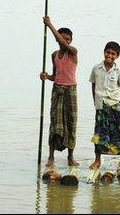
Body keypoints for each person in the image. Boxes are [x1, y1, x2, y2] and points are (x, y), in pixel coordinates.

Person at [89, 41, 120, 169]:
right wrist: (95, 102)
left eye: (113, 53)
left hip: (115, 105)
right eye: (108, 52)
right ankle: (97, 160)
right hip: (100, 106)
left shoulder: (118, 71)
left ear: (117, 56)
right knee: (99, 134)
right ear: (104, 53)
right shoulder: (96, 68)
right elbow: (93, 85)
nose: (110, 55)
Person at [40, 16, 79, 168]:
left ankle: (70, 157)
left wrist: (50, 25)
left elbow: (62, 43)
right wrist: (46, 77)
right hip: (57, 90)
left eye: (68, 39)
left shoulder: (73, 52)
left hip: (71, 91)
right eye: (63, 39)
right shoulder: (54, 55)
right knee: (55, 124)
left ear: (71, 40)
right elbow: (55, 75)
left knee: (71, 123)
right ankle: (51, 157)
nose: (65, 41)